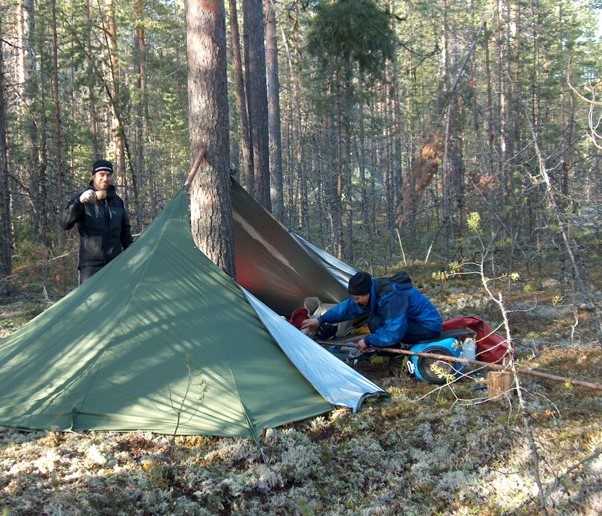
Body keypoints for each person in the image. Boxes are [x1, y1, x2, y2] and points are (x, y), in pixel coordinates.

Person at [301, 271, 442, 352]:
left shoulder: (391, 296)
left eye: (357, 298)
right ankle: (389, 350)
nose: (356, 301)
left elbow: (394, 331)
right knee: (375, 322)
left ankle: (390, 354)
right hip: (415, 323)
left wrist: (368, 340)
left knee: (376, 323)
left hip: (428, 328)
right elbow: (347, 308)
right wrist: (319, 320)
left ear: (367, 293)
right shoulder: (374, 289)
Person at [59, 159, 133, 284]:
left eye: (108, 175)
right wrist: (79, 203)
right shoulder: (81, 198)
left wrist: (132, 254)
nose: (105, 178)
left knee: (116, 300)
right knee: (90, 302)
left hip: (115, 262)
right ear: (94, 175)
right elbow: (64, 223)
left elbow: (125, 232)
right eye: (101, 175)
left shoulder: (117, 201)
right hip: (90, 265)